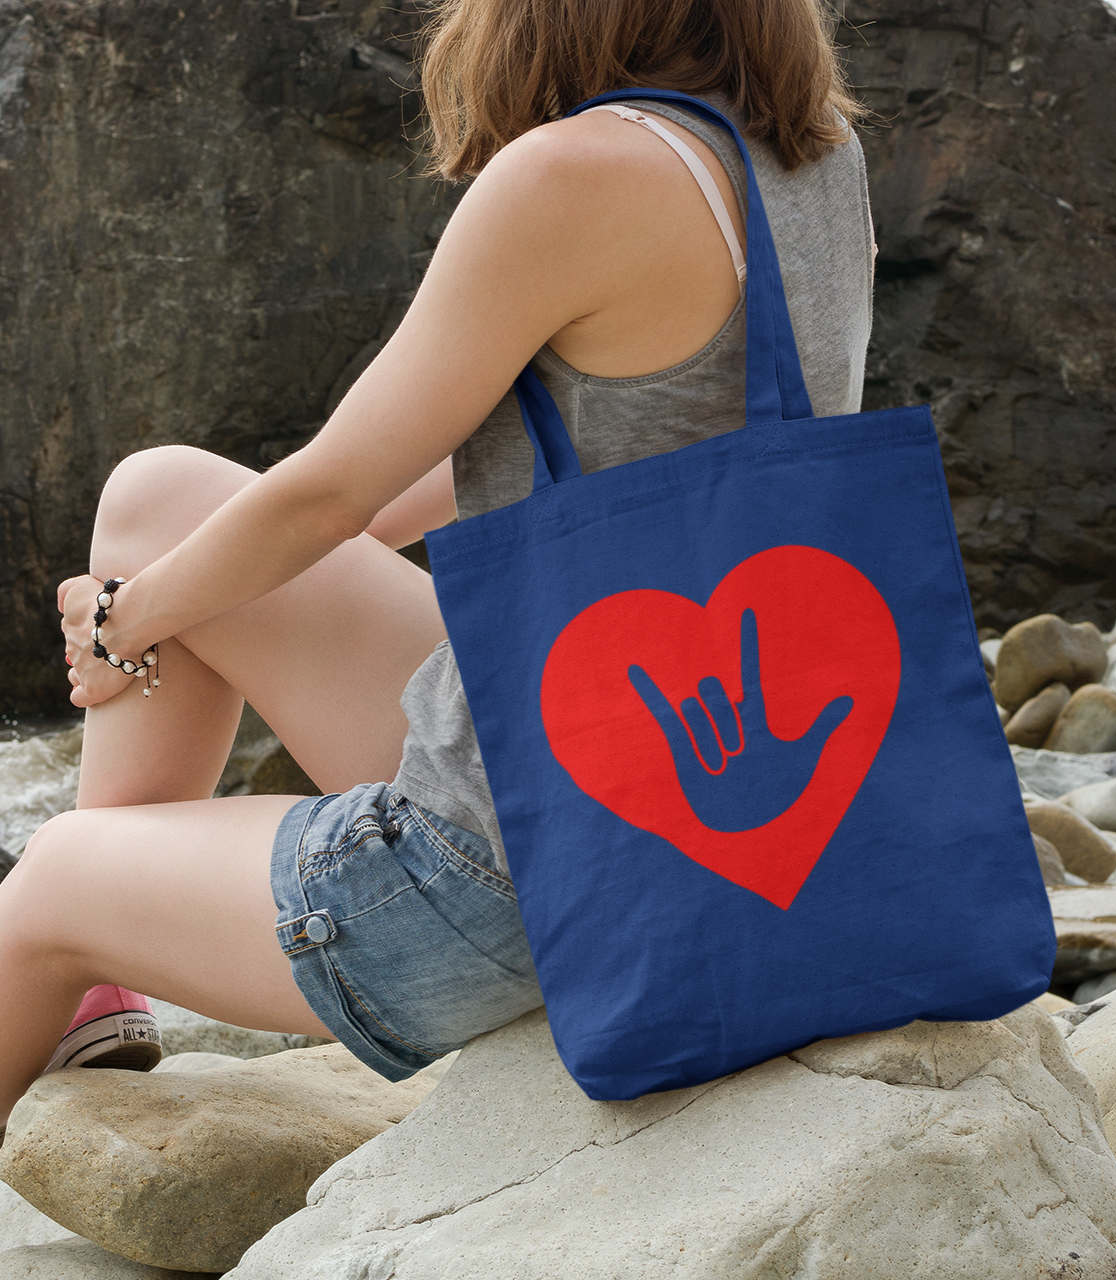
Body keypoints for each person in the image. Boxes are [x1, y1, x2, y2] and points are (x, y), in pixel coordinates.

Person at [0, 0, 874, 1124]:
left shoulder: (569, 173)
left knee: (52, 871)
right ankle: (100, 982)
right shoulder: (816, 159)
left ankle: (77, 936)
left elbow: (328, 492)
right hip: (712, 802)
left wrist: (122, 621)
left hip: (527, 874)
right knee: (159, 499)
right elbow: (569, 452)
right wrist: (230, 586)